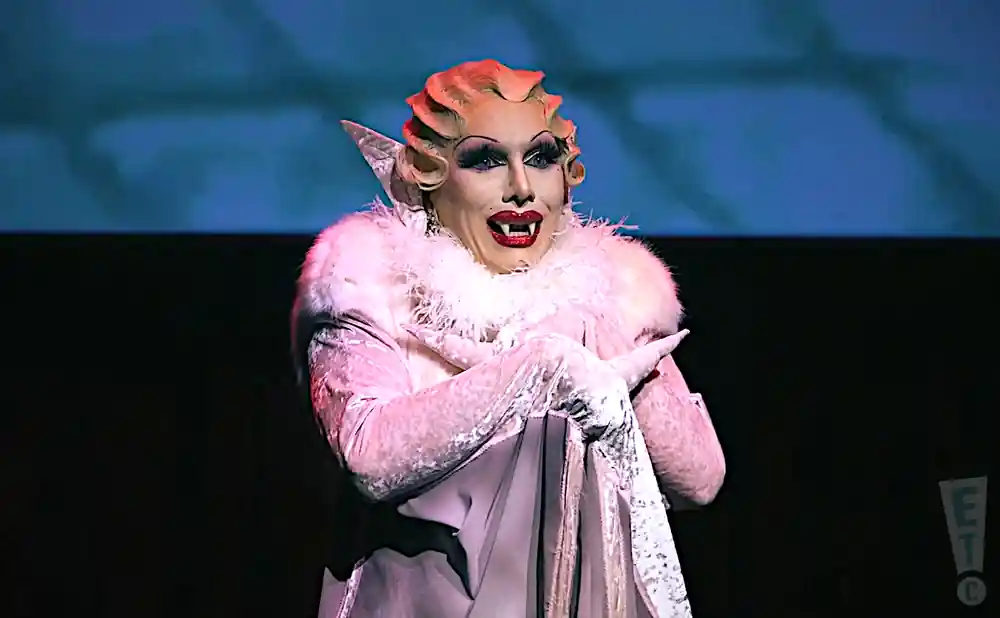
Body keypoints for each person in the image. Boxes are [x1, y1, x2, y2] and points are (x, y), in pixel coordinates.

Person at [291, 59, 725, 618]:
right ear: (429, 177)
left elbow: (700, 478)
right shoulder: (367, 282)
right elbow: (371, 457)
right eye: (486, 160)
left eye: (541, 158)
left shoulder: (615, 295)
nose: (521, 188)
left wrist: (592, 331)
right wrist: (534, 366)